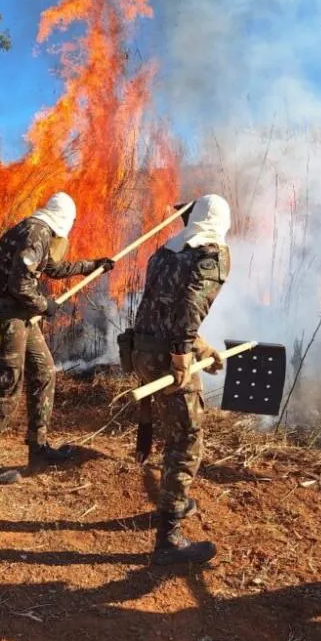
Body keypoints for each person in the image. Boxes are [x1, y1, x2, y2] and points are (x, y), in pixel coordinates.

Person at [0, 191, 115, 485]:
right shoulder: (35, 232)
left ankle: (39, 447)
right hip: (7, 318)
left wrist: (92, 265)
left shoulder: (37, 231)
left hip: (21, 316)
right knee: (7, 385)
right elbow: (19, 284)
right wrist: (45, 305)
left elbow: (53, 268)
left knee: (45, 371)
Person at [130, 194, 230, 565]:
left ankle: (177, 499)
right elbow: (190, 307)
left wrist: (200, 347)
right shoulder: (212, 254)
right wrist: (182, 353)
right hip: (167, 357)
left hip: (142, 350)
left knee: (175, 429)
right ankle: (169, 537)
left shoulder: (166, 251)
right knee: (186, 438)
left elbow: (163, 306)